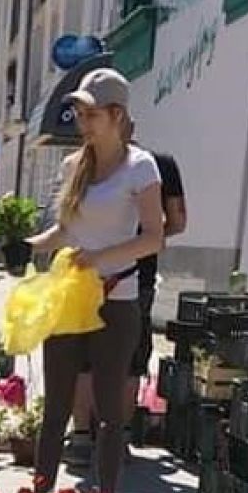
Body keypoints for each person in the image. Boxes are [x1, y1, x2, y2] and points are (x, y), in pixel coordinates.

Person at [26, 68, 164, 493]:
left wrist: (99, 260)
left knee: (108, 415)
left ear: (116, 115)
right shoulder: (74, 165)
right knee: (56, 411)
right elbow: (65, 231)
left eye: (91, 115)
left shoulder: (141, 167)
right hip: (69, 299)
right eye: (79, 115)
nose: (82, 124)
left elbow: (153, 237)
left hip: (115, 302)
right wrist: (29, 242)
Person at [66, 127, 187, 470]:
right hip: (137, 276)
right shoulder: (160, 165)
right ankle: (116, 439)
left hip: (85, 272)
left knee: (84, 357)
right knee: (129, 359)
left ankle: (80, 439)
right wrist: (143, 235)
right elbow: (177, 222)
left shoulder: (85, 167)